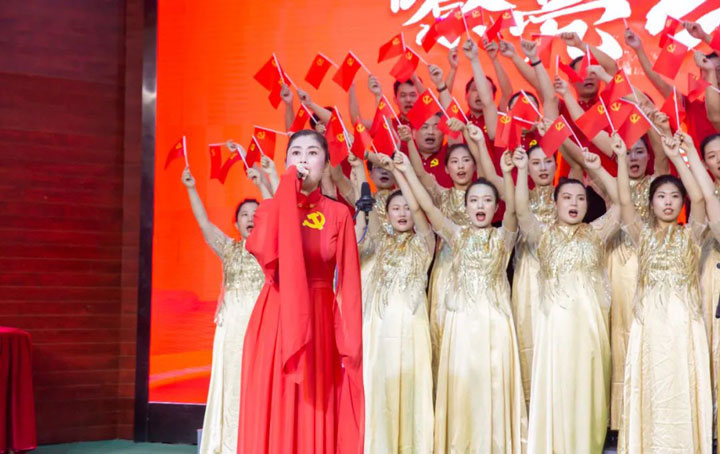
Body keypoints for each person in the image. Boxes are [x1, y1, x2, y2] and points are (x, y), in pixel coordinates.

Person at [238, 130, 364, 454]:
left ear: (326, 164)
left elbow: (349, 284)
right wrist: (286, 191)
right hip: (277, 317)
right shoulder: (270, 210)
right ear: (286, 163)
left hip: (318, 321)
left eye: (312, 153)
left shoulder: (338, 214)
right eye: (296, 153)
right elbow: (263, 250)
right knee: (275, 400)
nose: (304, 160)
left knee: (313, 405)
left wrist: (349, 342)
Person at [399, 147, 526, 452]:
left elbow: (514, 211)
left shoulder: (504, 237)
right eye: (474, 201)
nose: (480, 205)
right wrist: (405, 172)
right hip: (461, 327)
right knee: (463, 387)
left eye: (487, 200)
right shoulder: (455, 235)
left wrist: (511, 172)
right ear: (466, 207)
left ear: (495, 207)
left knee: (492, 386)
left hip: (496, 326)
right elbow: (427, 207)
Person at [516, 146, 620, 453]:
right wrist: (521, 170)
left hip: (590, 328)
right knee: (557, 384)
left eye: (580, 198)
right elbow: (521, 210)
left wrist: (597, 167)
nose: (574, 203)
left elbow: (620, 204)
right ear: (555, 203)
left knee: (589, 387)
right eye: (567, 197)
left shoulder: (596, 232)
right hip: (556, 327)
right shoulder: (542, 235)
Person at [617, 131, 712, 453]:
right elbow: (624, 202)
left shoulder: (692, 235)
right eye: (661, 196)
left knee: (683, 385)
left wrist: (676, 157)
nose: (668, 202)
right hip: (650, 327)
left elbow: (700, 199)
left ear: (681, 202)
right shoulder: (641, 235)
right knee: (652, 386)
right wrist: (620, 158)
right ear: (651, 202)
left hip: (685, 326)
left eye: (674, 196)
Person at [181, 166, 266, 454]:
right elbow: (204, 224)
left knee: (260, 386)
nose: (251, 218)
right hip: (232, 330)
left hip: (263, 328)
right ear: (236, 223)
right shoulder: (228, 249)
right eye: (245, 215)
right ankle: (230, 445)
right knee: (232, 385)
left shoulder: (274, 251)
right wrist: (191, 188)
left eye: (256, 214)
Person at [357, 154, 434, 453]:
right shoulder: (381, 242)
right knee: (381, 390)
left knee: (413, 388)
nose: (402, 213)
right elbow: (369, 209)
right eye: (395, 208)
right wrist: (357, 169)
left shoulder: (425, 242)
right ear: (386, 214)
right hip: (380, 329)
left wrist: (400, 172)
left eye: (406, 208)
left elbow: (418, 209)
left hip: (413, 329)